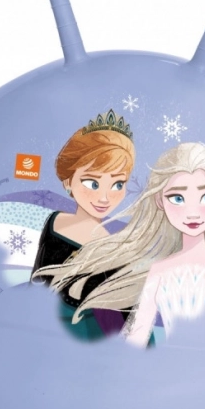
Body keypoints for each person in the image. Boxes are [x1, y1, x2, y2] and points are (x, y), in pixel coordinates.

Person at [35, 142, 205, 347]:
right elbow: (137, 337)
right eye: (177, 198)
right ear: (159, 201)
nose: (193, 212)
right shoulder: (159, 271)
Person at [31, 109, 135, 340]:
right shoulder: (54, 221)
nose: (105, 198)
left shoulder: (116, 249)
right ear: (68, 181)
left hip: (86, 341)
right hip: (38, 331)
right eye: (92, 183)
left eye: (118, 184)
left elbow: (121, 319)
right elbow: (36, 281)